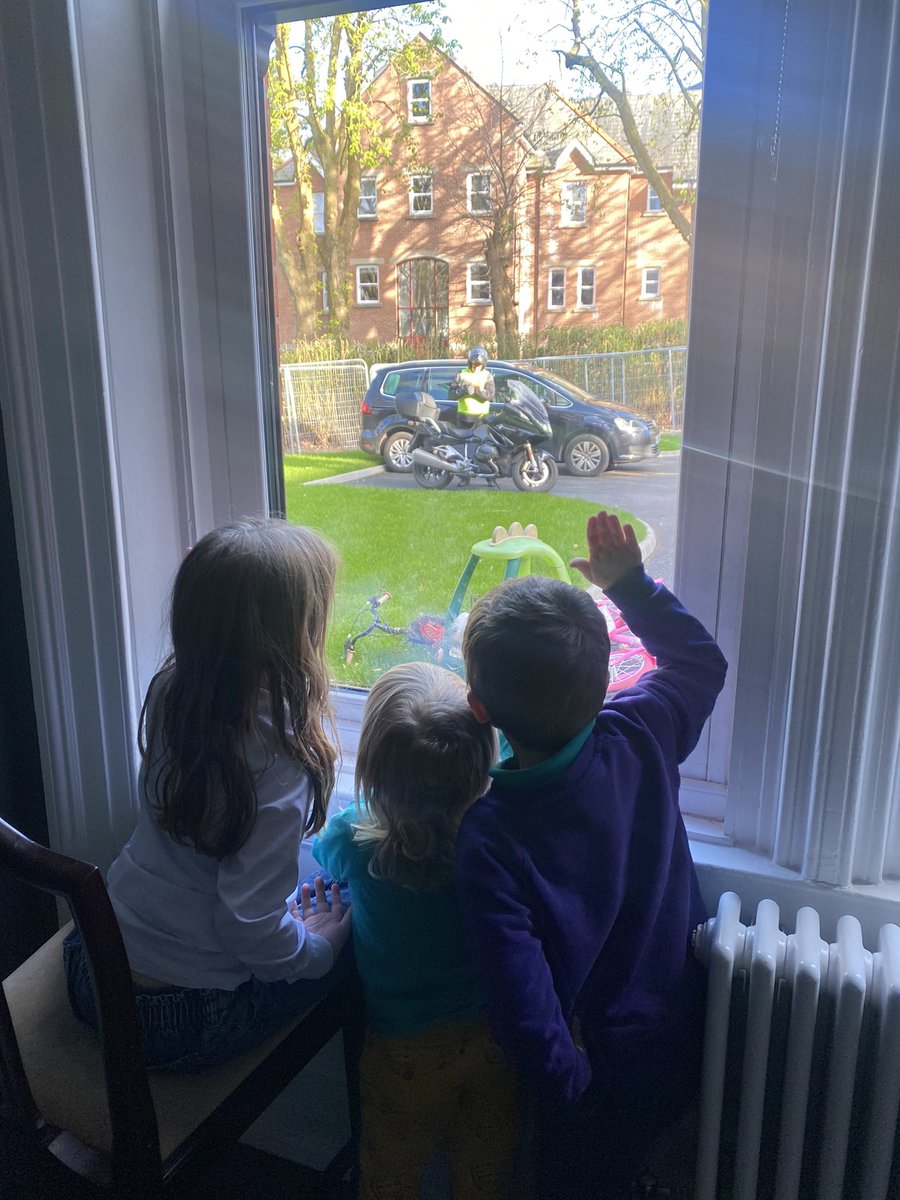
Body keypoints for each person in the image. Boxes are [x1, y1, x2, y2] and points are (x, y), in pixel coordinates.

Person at [456, 511, 728, 1199]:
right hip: (683, 1031)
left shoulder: (492, 836)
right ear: (605, 679)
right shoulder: (640, 726)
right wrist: (630, 586)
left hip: (594, 1074)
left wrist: (573, 1097)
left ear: (479, 710)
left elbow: (525, 1010)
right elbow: (701, 662)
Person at [63, 517, 352, 1072]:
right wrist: (315, 951)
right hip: (182, 1017)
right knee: (354, 941)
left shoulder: (175, 694)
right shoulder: (279, 757)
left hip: (89, 964)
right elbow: (244, 924)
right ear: (297, 636)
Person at [313, 661, 521, 1200]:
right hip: (494, 1037)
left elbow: (323, 857)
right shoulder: (495, 838)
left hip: (404, 1051)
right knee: (485, 1173)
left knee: (390, 1177)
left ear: (375, 771)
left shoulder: (358, 837)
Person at [451, 345, 495, 425]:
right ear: (470, 363)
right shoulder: (461, 374)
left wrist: (475, 390)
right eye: (474, 364)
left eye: (479, 365)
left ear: (483, 364)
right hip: (463, 418)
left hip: (482, 418)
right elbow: (450, 395)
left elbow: (490, 396)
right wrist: (462, 391)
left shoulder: (487, 375)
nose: (476, 367)